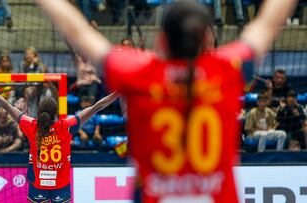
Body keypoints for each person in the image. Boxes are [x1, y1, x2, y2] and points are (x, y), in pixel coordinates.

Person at [36, 0, 298, 202]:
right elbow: (266, 23)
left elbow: (79, 32)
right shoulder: (226, 69)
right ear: (207, 39)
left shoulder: (139, 73)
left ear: (162, 40)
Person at [0, 72, 118, 203]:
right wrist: (119, 92)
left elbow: (5, 105)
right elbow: (97, 107)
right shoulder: (66, 126)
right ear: (56, 112)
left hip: (38, 183)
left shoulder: (31, 125)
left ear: (38, 112)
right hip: (61, 183)